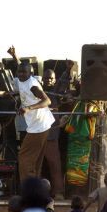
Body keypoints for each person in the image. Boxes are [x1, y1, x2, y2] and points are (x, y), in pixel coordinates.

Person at [14, 62, 55, 181]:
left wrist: (28, 108)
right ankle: (35, 188)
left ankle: (28, 188)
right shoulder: (21, 81)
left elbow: (47, 101)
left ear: (31, 73)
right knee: (36, 159)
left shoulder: (32, 85)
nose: (21, 74)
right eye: (19, 71)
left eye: (24, 72)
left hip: (39, 125)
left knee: (24, 157)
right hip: (38, 125)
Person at [41, 69, 65, 198]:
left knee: (54, 164)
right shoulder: (37, 90)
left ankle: (58, 192)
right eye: (46, 78)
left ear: (54, 80)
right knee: (34, 165)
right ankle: (32, 193)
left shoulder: (55, 93)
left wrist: (67, 70)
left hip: (51, 135)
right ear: (42, 79)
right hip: (37, 134)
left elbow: (62, 83)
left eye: (51, 78)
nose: (48, 80)